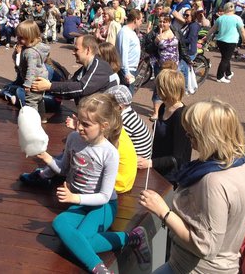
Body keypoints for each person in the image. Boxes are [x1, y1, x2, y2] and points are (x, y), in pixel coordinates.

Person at [22, 94, 150, 274]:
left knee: (80, 241)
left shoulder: (109, 153)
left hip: (103, 206)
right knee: (59, 223)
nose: (80, 127)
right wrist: (47, 158)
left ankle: (113, 255)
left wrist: (74, 197)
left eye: (86, 124)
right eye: (79, 121)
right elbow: (64, 168)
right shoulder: (73, 139)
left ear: (104, 126)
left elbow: (104, 196)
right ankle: (130, 239)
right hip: (80, 204)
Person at [139, 99, 245, 274]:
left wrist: (163, 212)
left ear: (209, 137)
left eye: (192, 135)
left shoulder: (213, 182)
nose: (189, 140)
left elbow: (206, 247)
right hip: (228, 261)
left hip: (194, 268)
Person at [31, 35, 117, 105]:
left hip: (101, 116)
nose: (73, 52)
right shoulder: (87, 67)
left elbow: (82, 88)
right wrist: (47, 88)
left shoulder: (99, 66)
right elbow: (71, 83)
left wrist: (49, 86)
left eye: (76, 49)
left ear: (88, 50)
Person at [137, 69, 190, 181]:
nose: (155, 89)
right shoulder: (163, 107)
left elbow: (177, 157)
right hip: (158, 167)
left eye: (158, 86)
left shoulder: (180, 116)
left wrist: (150, 163)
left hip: (171, 176)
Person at [201, 2, 245, 83]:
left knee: (225, 57)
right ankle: (220, 76)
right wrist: (244, 40)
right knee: (225, 59)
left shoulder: (220, 18)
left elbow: (213, 29)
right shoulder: (237, 18)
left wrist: (206, 37)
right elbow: (242, 31)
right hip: (231, 41)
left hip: (220, 41)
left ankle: (228, 73)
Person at [16, 20, 50, 120]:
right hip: (42, 79)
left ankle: (32, 121)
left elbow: (31, 69)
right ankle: (42, 118)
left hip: (34, 81)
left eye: (21, 38)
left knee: (31, 102)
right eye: (17, 37)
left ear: (30, 37)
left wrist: (27, 84)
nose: (18, 40)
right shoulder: (37, 46)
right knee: (39, 99)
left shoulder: (30, 52)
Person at [106, 84, 153, 159]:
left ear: (119, 107)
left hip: (137, 158)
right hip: (141, 154)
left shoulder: (124, 122)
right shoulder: (130, 113)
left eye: (109, 105)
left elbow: (115, 143)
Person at [115, 9, 143, 93]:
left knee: (129, 94)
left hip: (131, 68)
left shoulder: (130, 32)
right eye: (141, 20)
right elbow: (123, 53)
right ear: (135, 19)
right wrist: (126, 72)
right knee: (126, 95)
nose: (141, 22)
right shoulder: (125, 32)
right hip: (127, 69)